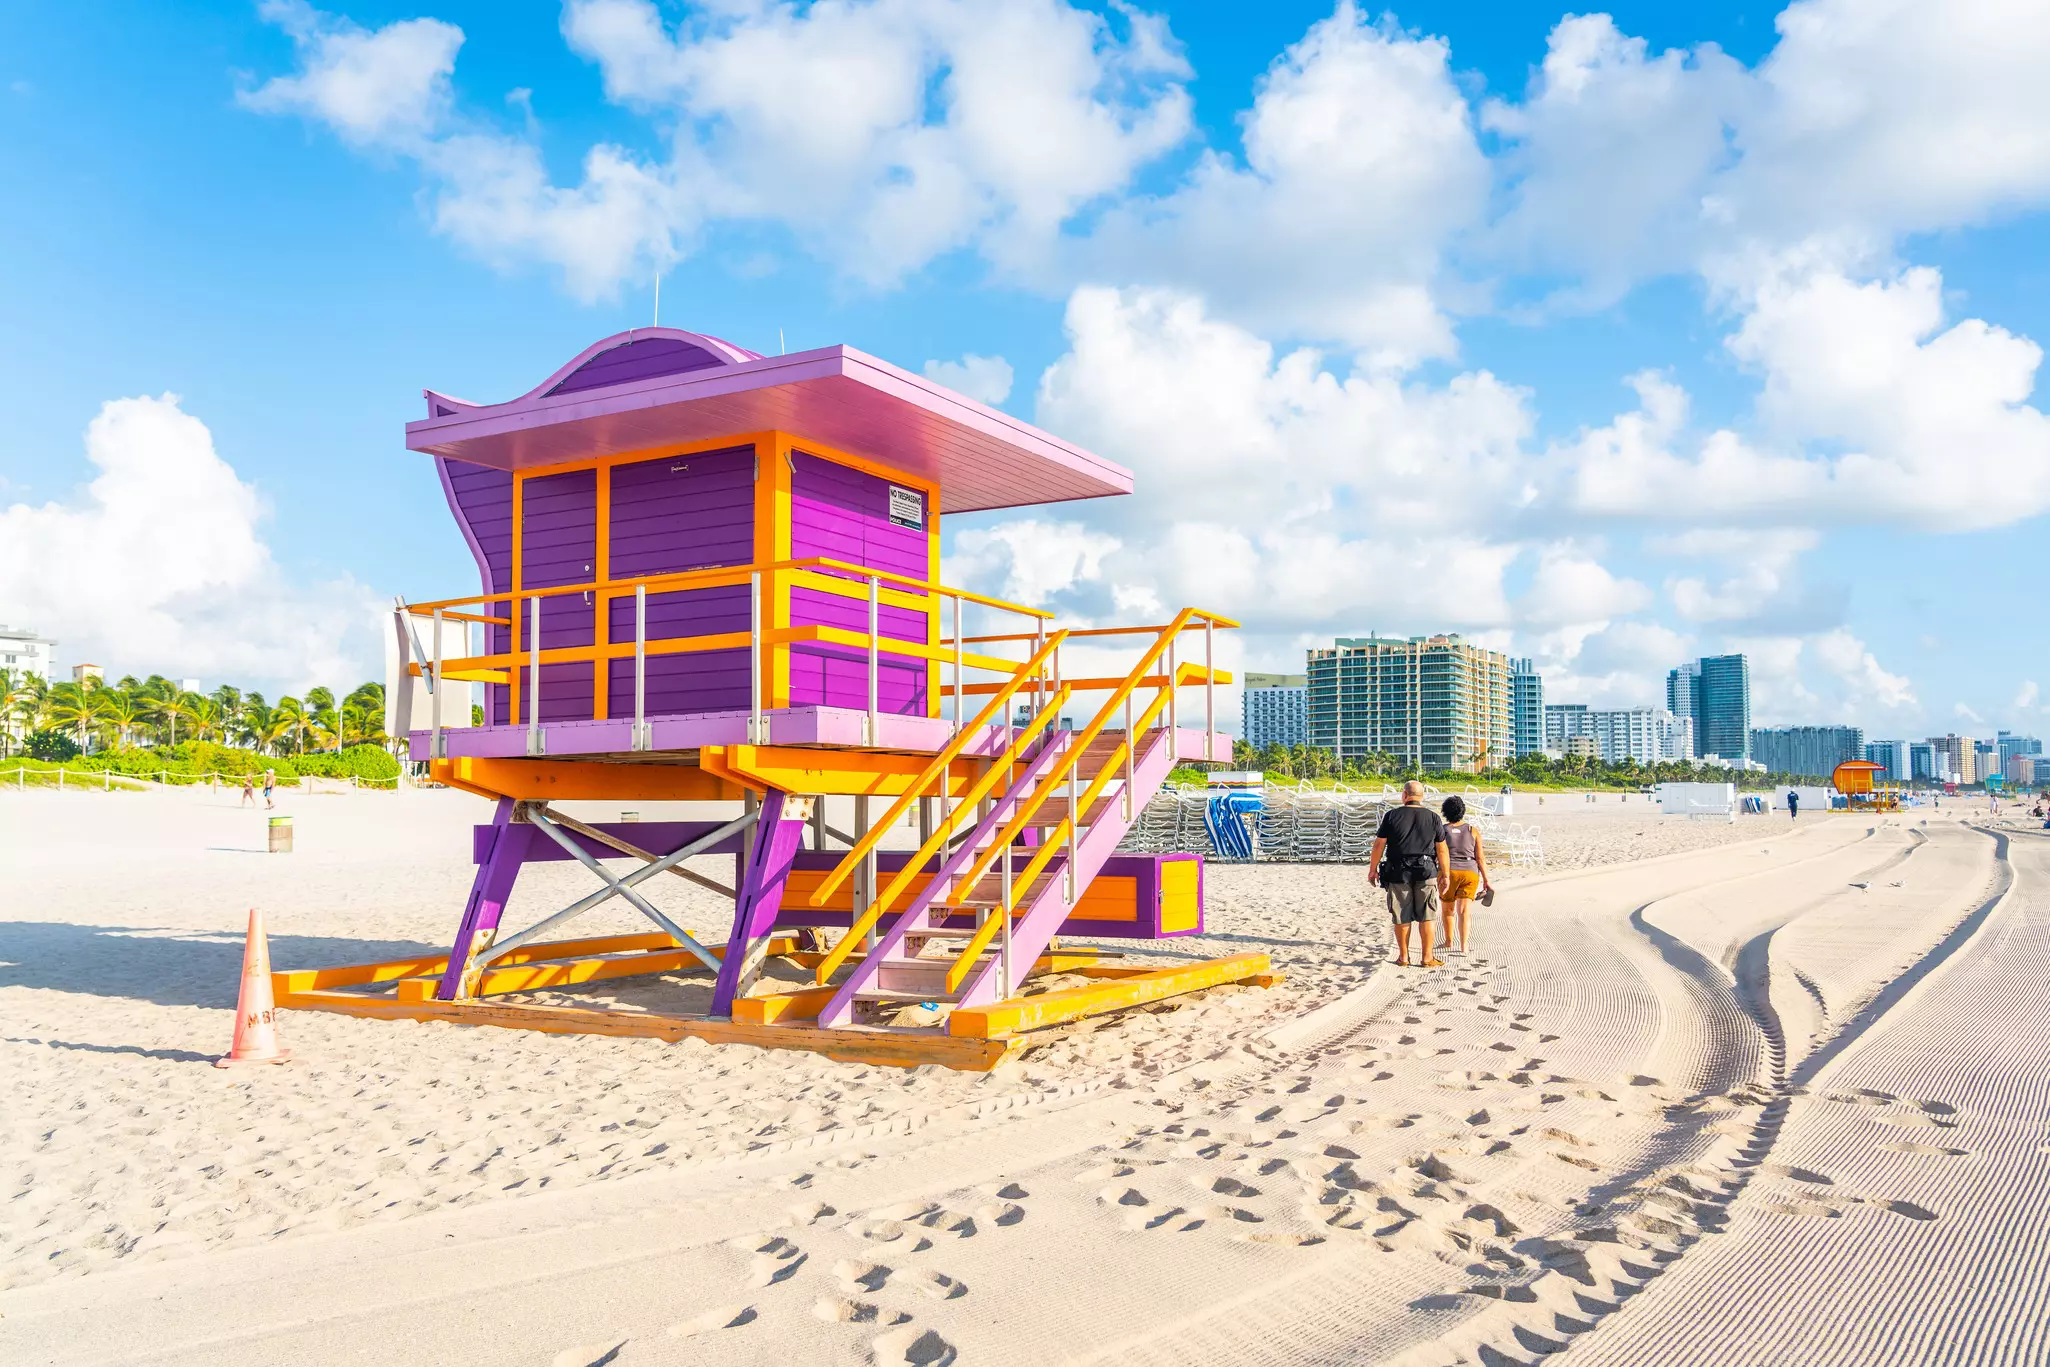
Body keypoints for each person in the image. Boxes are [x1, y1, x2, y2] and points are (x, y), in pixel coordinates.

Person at [1369, 780, 1449, 968]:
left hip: (1398, 871)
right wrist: (1445, 874)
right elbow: (1442, 849)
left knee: (1401, 914)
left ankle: (1404, 957)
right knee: (1427, 914)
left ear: (1404, 795)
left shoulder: (1392, 816)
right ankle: (1427, 958)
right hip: (1426, 870)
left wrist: (1372, 869)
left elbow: (1379, 844)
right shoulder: (1433, 817)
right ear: (1421, 796)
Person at [1439, 795, 1492, 954]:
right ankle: (1464, 946)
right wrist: (1486, 880)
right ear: (1462, 811)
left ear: (1445, 812)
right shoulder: (1472, 830)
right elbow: (1480, 858)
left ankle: (1448, 942)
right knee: (1464, 911)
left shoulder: (1442, 830)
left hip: (1449, 871)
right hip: (1470, 872)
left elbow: (1438, 852)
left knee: (1448, 909)